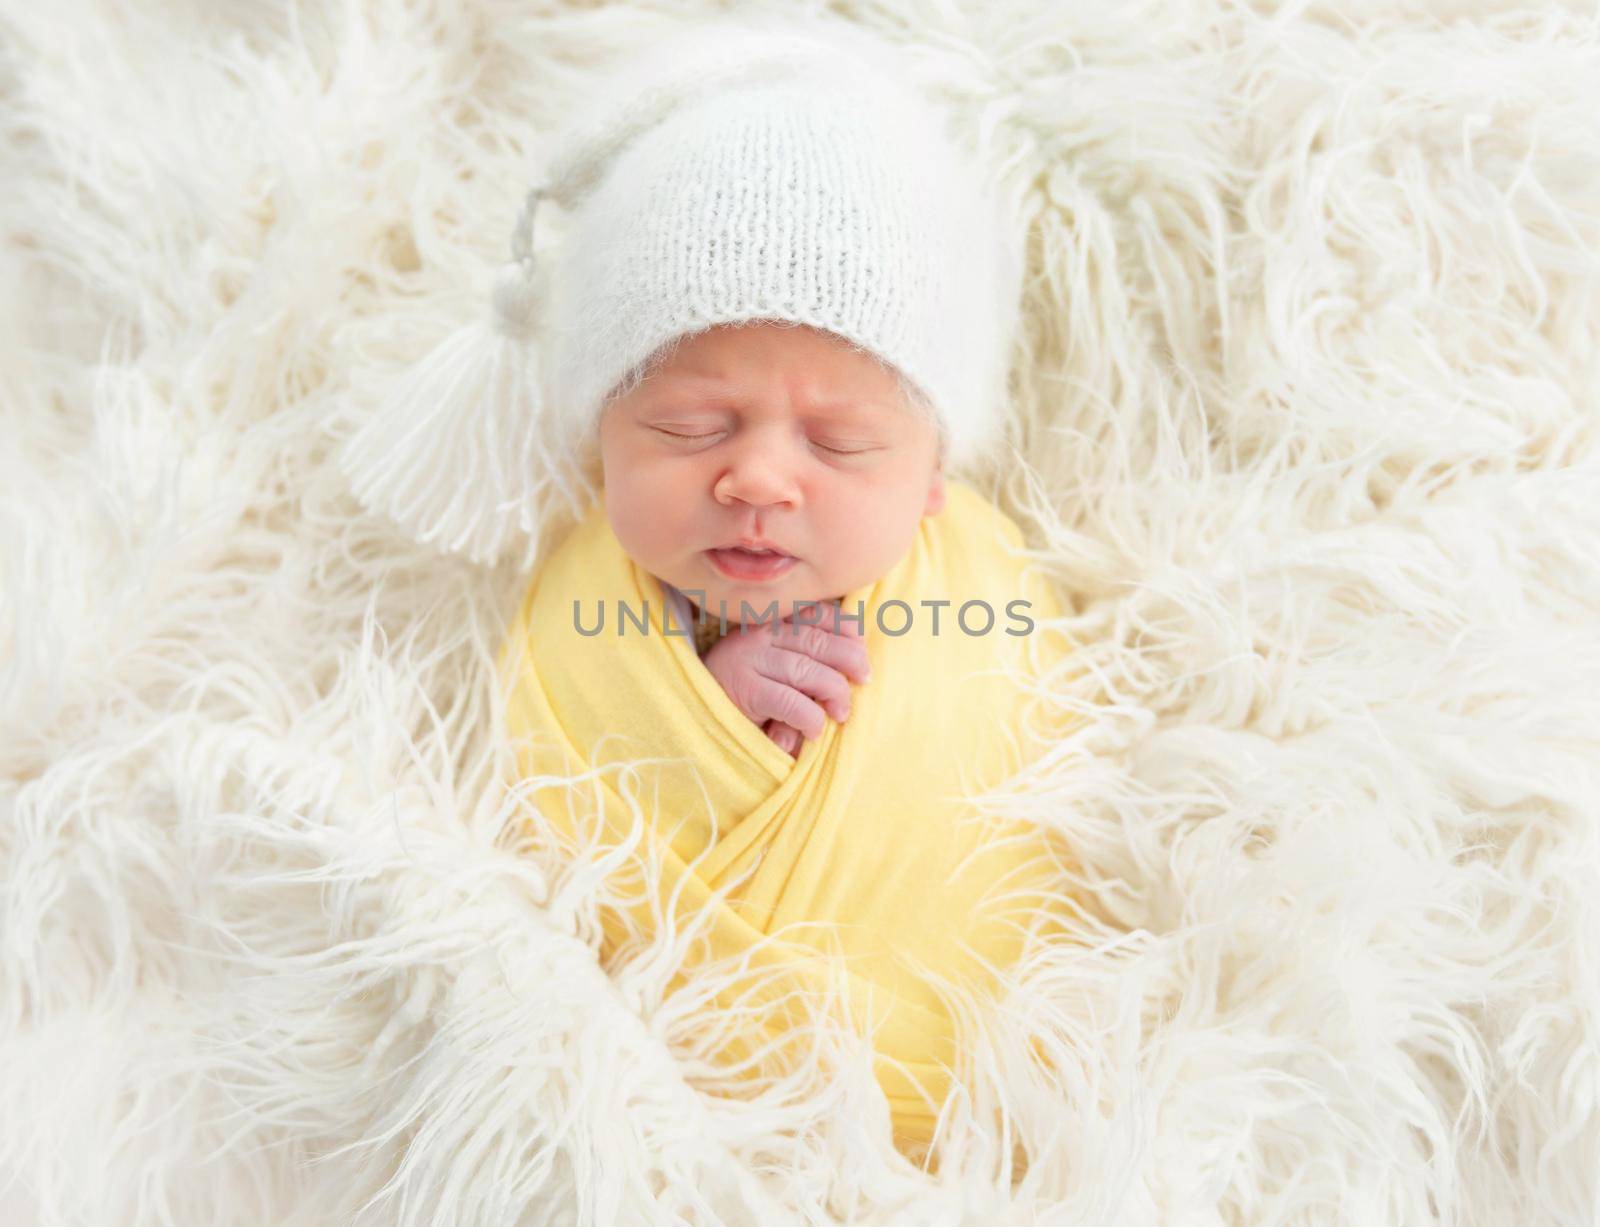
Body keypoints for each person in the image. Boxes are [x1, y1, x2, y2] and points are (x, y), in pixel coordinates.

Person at [342, 14, 1083, 1167]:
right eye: (688, 428)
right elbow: (557, 786)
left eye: (838, 444)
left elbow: (1025, 780)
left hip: (944, 1090)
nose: (756, 479)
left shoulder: (984, 588)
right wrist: (702, 710)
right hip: (665, 1112)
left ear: (934, 474)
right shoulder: (586, 600)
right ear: (603, 441)